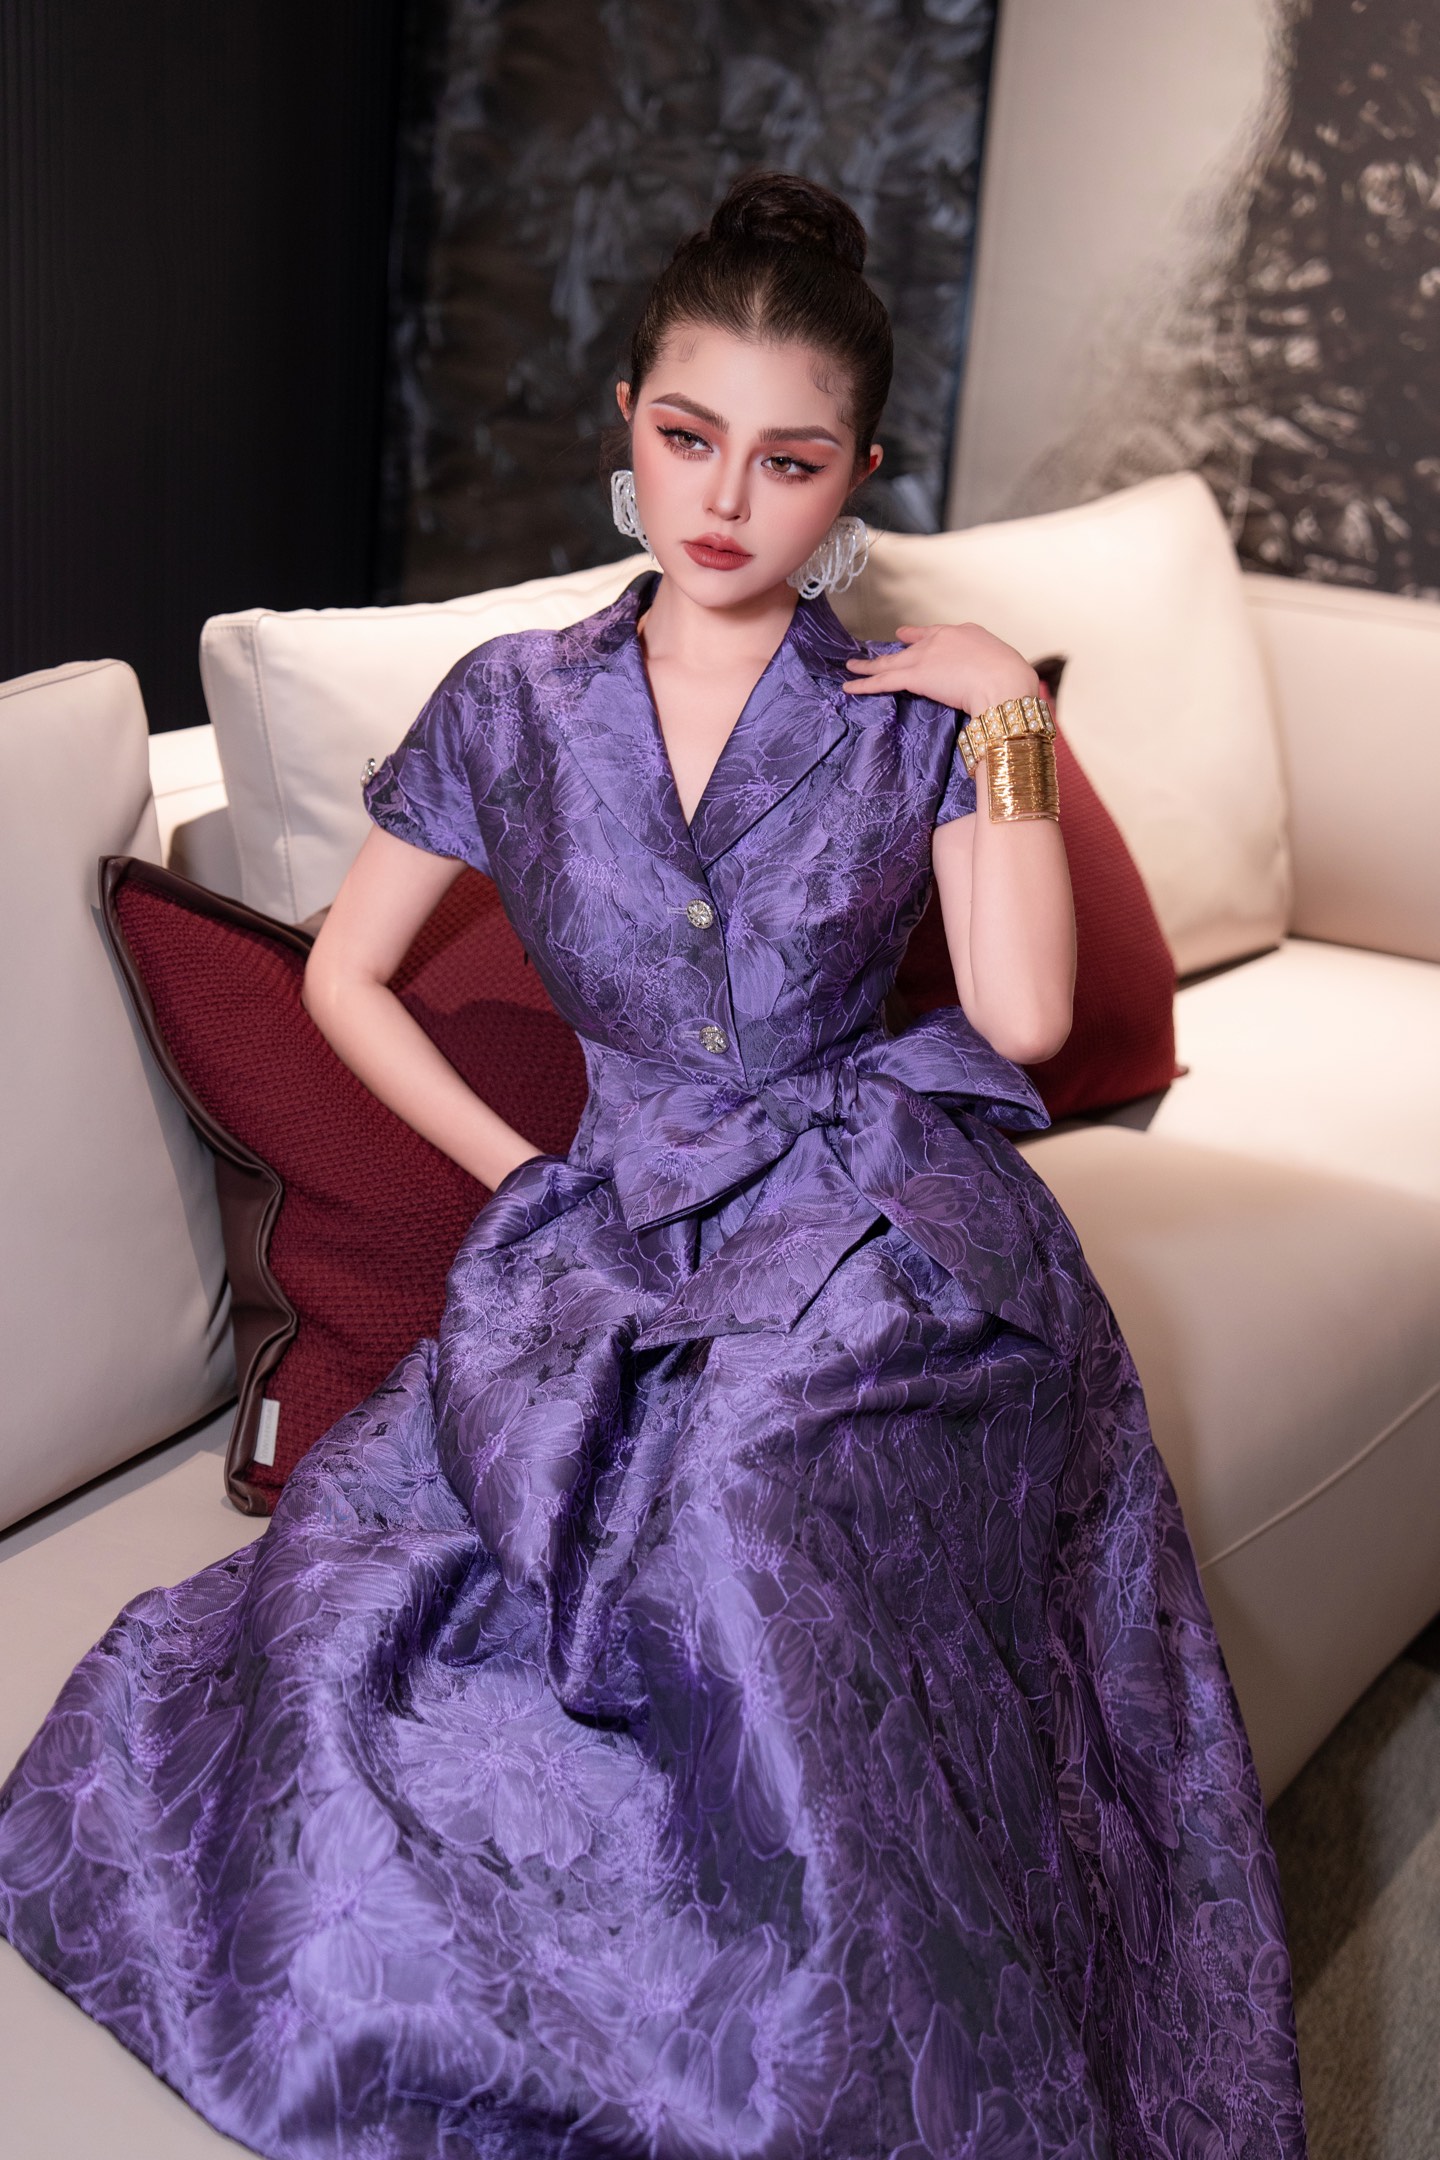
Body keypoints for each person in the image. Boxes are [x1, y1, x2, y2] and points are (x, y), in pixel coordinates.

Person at [0, 173, 1307, 2160]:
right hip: (598, 1231)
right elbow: (349, 979)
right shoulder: (515, 708)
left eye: (790, 461)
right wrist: (519, 1171)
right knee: (365, 1612)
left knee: (761, 1490)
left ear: (853, 478)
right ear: (627, 419)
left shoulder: (906, 722)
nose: (727, 500)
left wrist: (1015, 725)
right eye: (692, 437)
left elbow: (1027, 1015)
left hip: (870, 1227)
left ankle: (848, 2056)